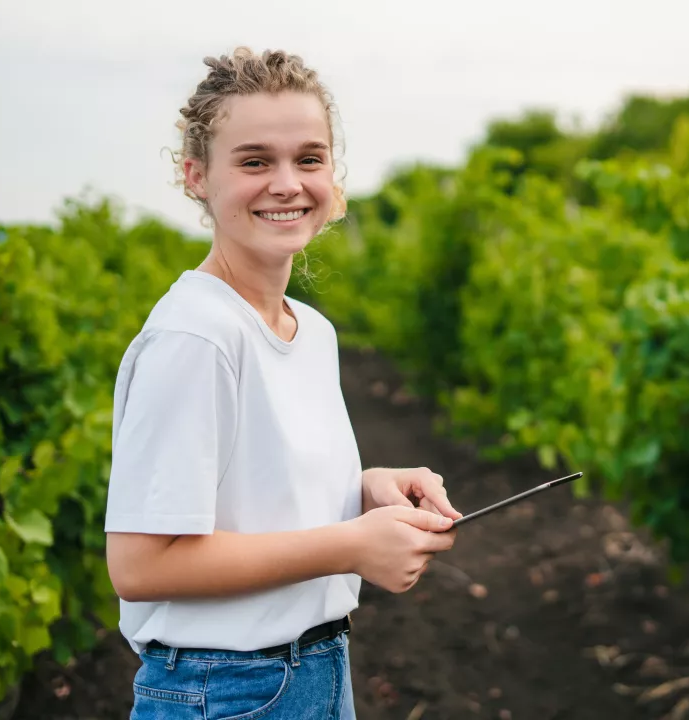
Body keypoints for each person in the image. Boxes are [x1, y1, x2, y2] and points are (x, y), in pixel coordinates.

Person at [103, 46, 461, 719]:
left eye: (309, 158)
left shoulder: (311, 331)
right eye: (254, 161)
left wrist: (364, 492)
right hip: (225, 690)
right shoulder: (197, 336)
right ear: (195, 177)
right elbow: (142, 565)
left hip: (314, 670)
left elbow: (249, 494)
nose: (287, 183)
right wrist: (352, 545)